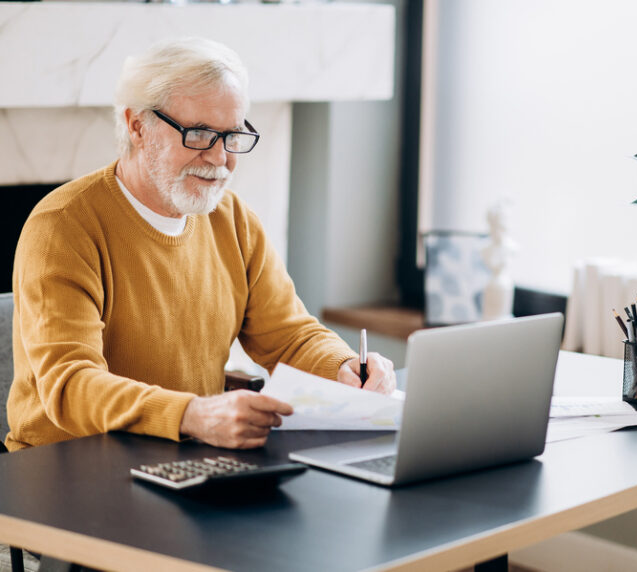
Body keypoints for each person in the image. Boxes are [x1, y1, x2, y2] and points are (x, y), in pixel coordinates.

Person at [4, 37, 395, 452]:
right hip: (65, 471)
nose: (220, 158)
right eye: (200, 134)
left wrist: (345, 366)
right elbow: (71, 385)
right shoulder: (63, 227)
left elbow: (289, 336)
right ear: (137, 126)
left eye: (232, 135)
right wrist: (193, 414)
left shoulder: (233, 219)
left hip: (181, 455)